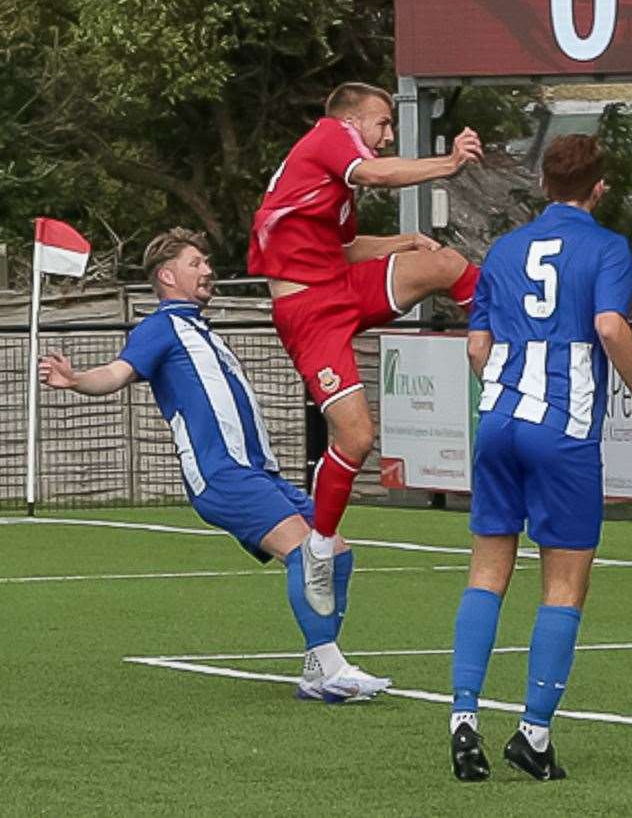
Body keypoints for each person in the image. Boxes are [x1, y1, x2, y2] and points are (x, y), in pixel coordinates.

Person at [39, 228, 390, 702]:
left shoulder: (201, 329)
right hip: (224, 476)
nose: (207, 271)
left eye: (206, 262)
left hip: (259, 474)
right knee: (309, 553)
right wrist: (78, 379)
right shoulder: (160, 327)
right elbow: (117, 373)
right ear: (167, 275)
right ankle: (326, 669)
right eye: (195, 263)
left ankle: (321, 666)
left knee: (337, 554)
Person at [445, 135, 632, 782]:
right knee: (564, 582)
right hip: (562, 429)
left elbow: (477, 348)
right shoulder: (606, 248)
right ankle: (534, 733)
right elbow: (608, 326)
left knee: (487, 570)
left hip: (499, 421)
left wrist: (509, 389)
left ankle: (463, 720)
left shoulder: (505, 249)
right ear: (599, 189)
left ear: (544, 185)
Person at [248, 82, 485, 618]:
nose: (387, 134)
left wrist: (402, 242)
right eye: (383, 124)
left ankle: (494, 348)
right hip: (310, 312)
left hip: (340, 287)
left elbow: (344, 249)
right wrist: (446, 164)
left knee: (446, 264)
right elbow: (376, 173)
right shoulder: (329, 136)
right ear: (352, 121)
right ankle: (319, 544)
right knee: (356, 436)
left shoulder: (327, 178)